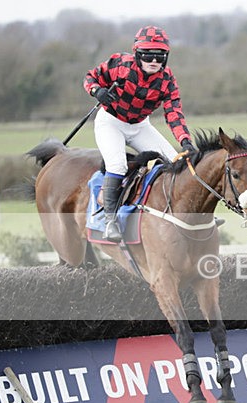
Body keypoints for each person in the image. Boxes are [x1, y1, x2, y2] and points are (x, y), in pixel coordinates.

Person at [84, 25, 196, 242]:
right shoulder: (120, 64)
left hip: (139, 126)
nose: (154, 61)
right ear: (137, 54)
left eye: (160, 56)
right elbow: (90, 77)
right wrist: (97, 91)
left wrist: (185, 141)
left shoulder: (167, 80)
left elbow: (173, 113)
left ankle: (188, 214)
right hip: (111, 122)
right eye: (148, 56)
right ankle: (109, 221)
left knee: (176, 162)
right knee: (117, 165)